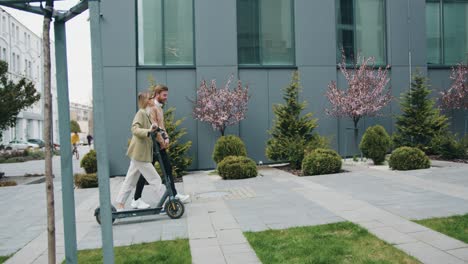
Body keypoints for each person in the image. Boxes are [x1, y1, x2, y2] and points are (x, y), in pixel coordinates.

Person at [131, 84, 190, 210]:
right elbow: (154, 127)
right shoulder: (152, 107)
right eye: (164, 95)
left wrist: (166, 137)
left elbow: (161, 126)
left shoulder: (159, 107)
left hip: (158, 144)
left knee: (166, 169)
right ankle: (136, 199)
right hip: (153, 145)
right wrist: (162, 141)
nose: (166, 97)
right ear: (157, 94)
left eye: (166, 95)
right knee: (146, 172)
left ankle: (173, 194)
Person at [115, 92, 166, 211]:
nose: (153, 99)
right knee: (155, 179)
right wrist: (148, 131)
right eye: (150, 98)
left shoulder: (146, 114)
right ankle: (167, 203)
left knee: (130, 180)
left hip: (139, 153)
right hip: (140, 154)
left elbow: (149, 129)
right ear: (146, 101)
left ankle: (120, 205)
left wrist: (154, 130)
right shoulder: (141, 113)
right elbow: (135, 129)